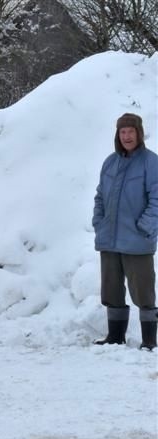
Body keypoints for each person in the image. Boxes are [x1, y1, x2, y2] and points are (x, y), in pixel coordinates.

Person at [92, 113, 158, 350]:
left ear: (139, 134)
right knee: (111, 290)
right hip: (109, 239)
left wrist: (145, 227)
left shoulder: (151, 162)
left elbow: (157, 199)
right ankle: (115, 337)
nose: (127, 136)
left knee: (143, 292)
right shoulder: (110, 162)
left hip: (137, 240)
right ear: (117, 135)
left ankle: (150, 340)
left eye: (131, 131)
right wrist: (99, 221)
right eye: (123, 132)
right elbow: (100, 196)